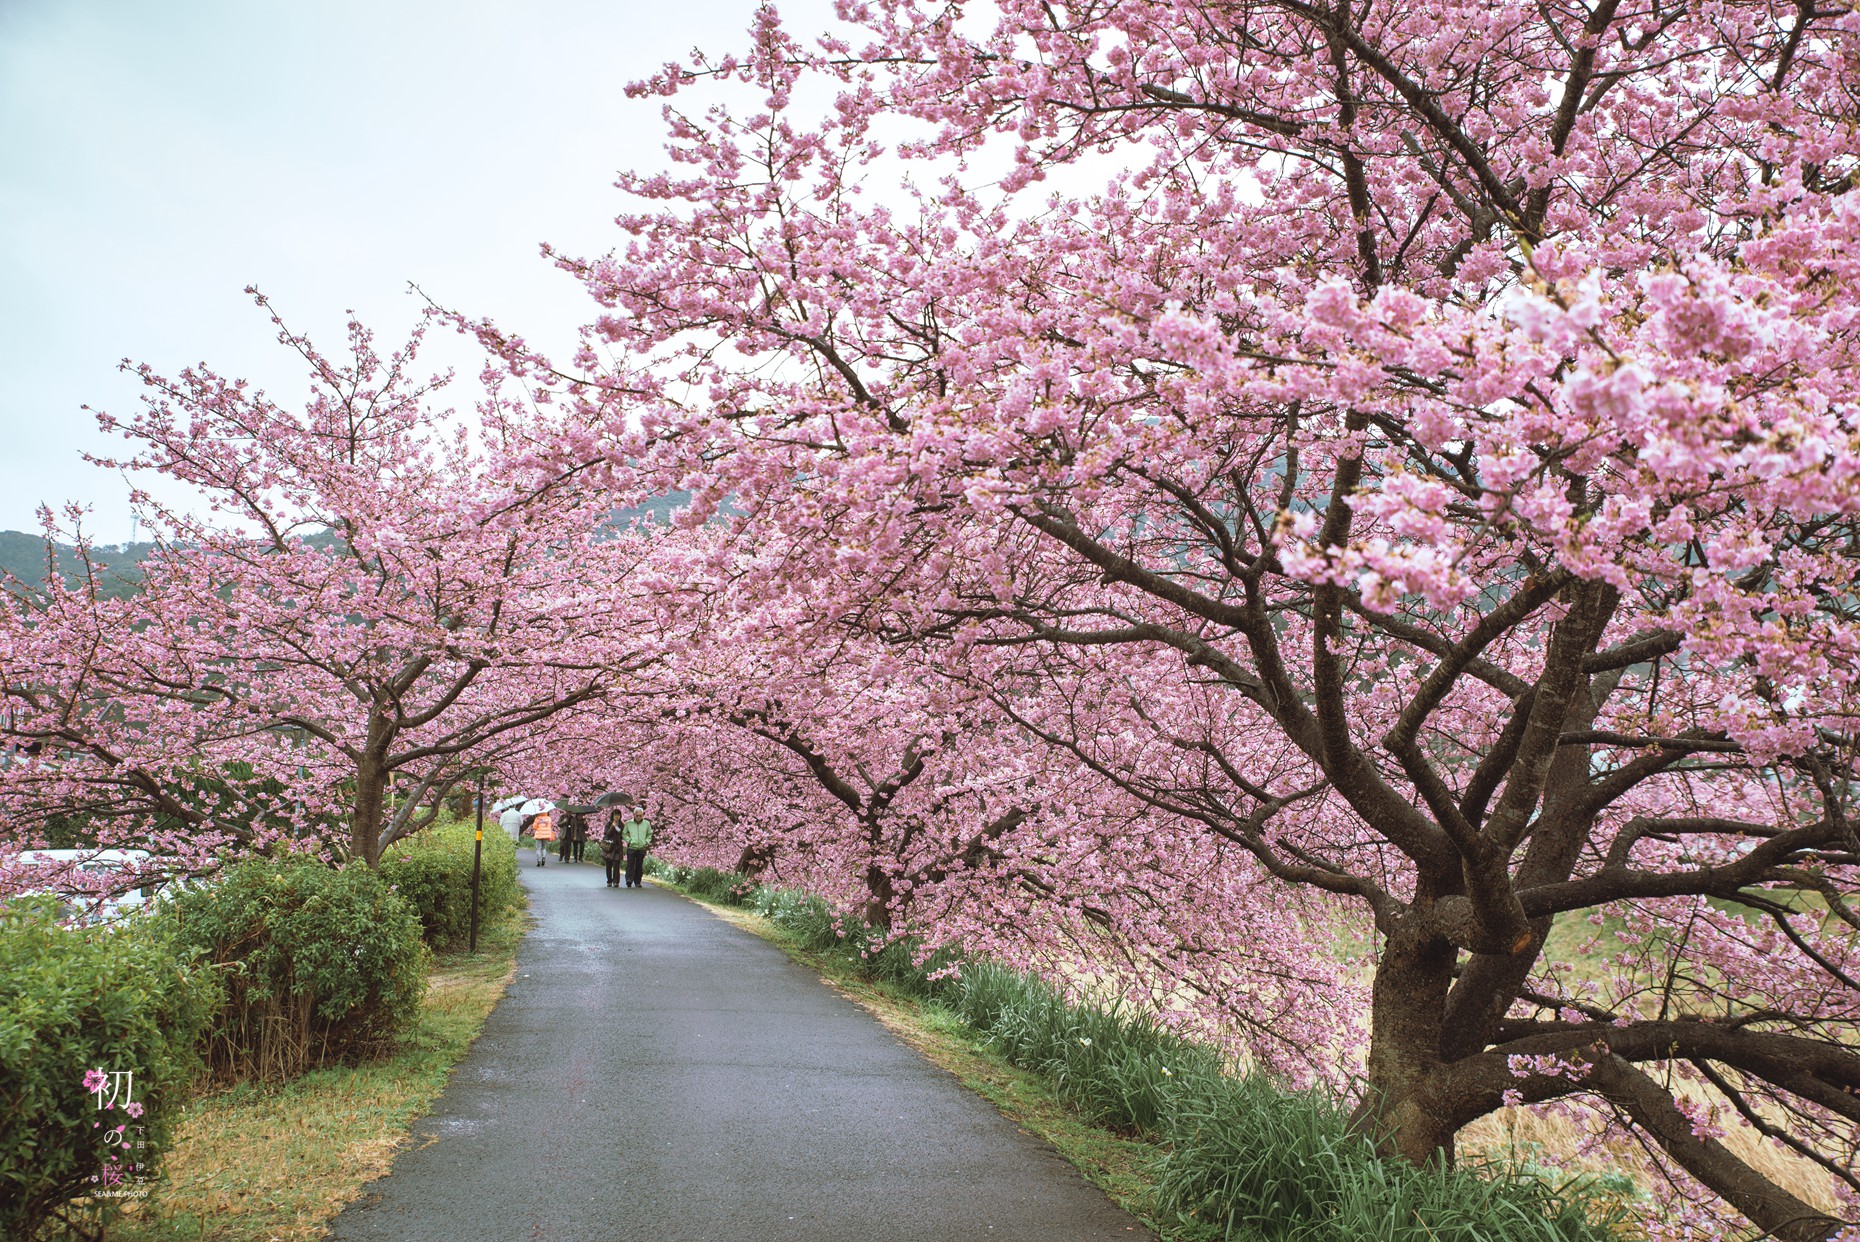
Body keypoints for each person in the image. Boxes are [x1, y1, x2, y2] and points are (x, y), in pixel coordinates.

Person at [621, 807, 653, 889]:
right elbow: (624, 833)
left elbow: (649, 834)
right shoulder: (629, 823)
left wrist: (646, 841)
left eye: (640, 815)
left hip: (642, 847)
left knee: (639, 865)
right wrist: (629, 841)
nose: (639, 817)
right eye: (637, 815)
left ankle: (637, 881)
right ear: (634, 815)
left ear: (643, 815)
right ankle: (629, 880)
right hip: (632, 847)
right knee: (630, 864)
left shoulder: (647, 824)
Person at [601, 813, 625, 888]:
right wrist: (612, 826)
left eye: (618, 815)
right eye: (615, 815)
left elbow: (623, 834)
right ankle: (609, 880)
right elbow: (606, 833)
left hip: (618, 847)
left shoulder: (621, 824)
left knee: (616, 864)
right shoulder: (609, 823)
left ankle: (616, 881)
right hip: (610, 847)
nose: (617, 817)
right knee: (608, 864)